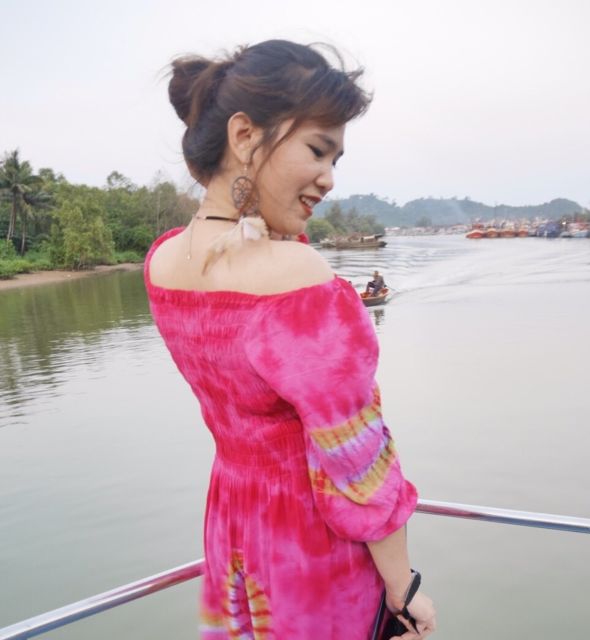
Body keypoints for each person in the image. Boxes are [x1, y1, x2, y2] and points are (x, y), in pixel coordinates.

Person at [145, 40, 436, 639]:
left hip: (232, 527)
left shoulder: (163, 261)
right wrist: (403, 586)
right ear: (244, 135)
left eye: (336, 159)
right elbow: (359, 462)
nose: (329, 179)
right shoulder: (299, 281)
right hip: (311, 549)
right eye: (317, 150)